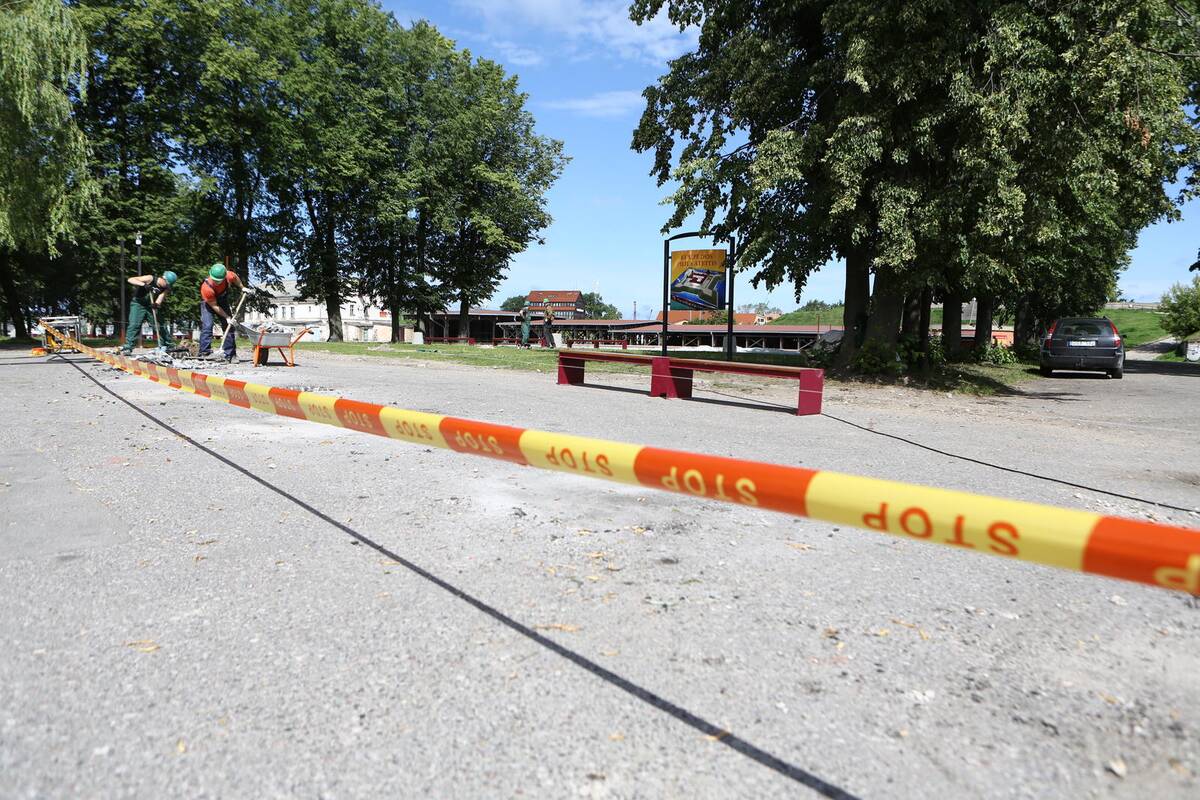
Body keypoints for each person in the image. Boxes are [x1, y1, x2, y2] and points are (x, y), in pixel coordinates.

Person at [120, 271, 177, 355]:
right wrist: (144, 285)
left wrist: (156, 304)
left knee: (159, 324)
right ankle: (128, 347)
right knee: (134, 325)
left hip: (150, 305)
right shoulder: (150, 278)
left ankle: (168, 345)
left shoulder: (166, 288)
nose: (167, 286)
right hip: (138, 304)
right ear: (163, 279)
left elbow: (161, 297)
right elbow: (130, 279)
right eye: (167, 284)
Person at [198, 263, 243, 360]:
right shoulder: (206, 288)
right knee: (207, 326)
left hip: (222, 302)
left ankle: (230, 354)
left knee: (228, 326)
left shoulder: (228, 275)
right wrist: (227, 317)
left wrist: (242, 287)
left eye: (219, 281)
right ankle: (204, 352)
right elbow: (214, 306)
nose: (217, 282)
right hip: (209, 304)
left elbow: (235, 278)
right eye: (215, 280)